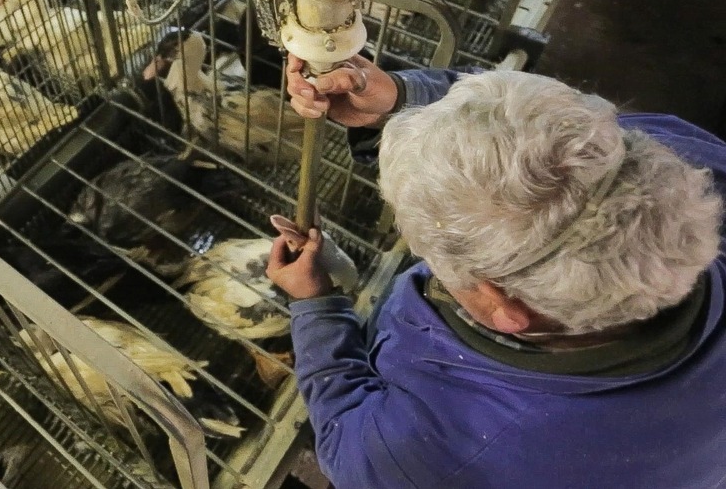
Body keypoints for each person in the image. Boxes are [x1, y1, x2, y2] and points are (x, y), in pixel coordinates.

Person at [266, 55, 726, 488]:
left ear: (506, 309)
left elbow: (346, 436)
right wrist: (401, 99)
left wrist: (317, 309)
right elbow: (559, 132)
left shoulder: (435, 455)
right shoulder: (683, 160)